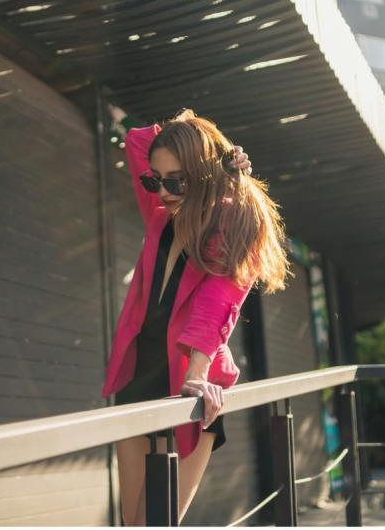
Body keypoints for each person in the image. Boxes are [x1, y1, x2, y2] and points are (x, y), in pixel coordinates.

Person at [101, 106, 291, 526]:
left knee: (155, 524)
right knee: (133, 525)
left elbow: (219, 304)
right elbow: (138, 140)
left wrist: (197, 376)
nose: (163, 190)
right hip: (137, 382)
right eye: (155, 180)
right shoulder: (160, 213)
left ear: (202, 174)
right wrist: (213, 149)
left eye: (175, 180)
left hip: (188, 388)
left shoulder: (236, 222)